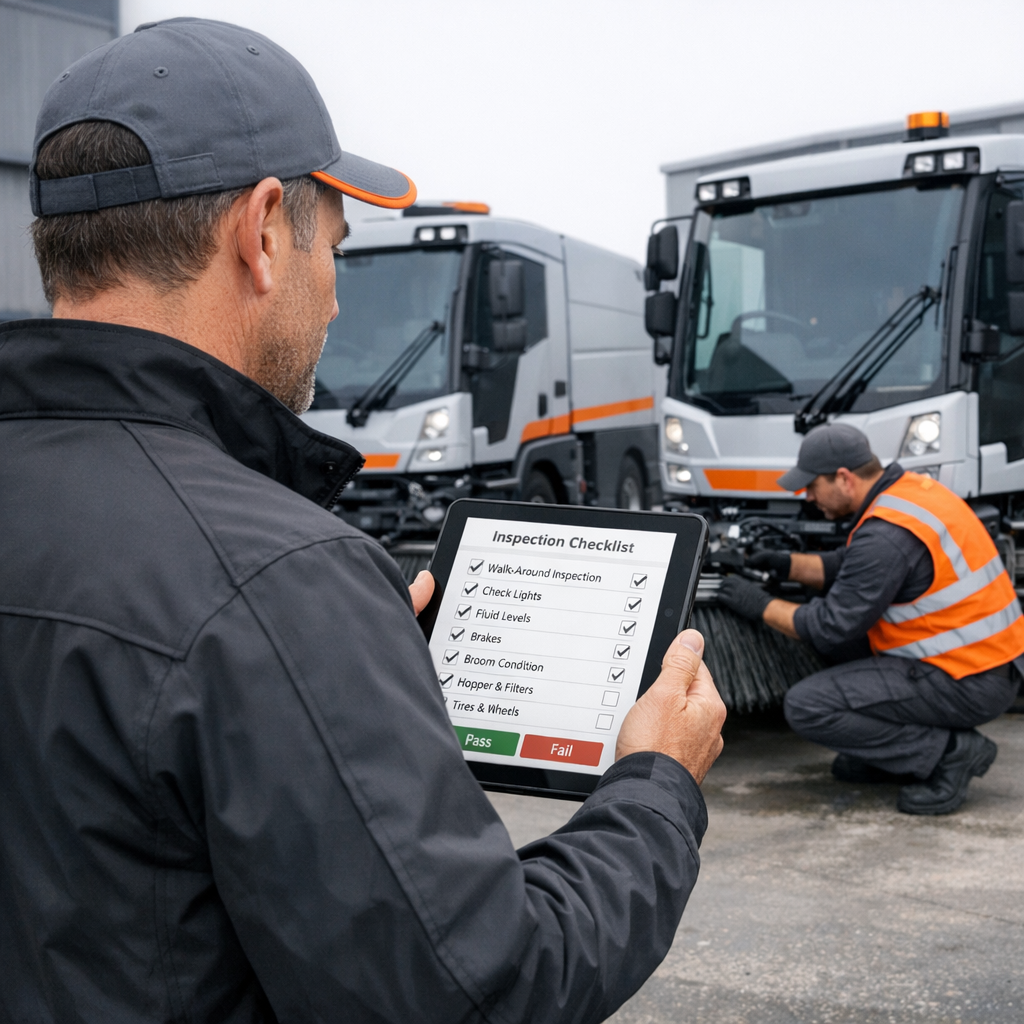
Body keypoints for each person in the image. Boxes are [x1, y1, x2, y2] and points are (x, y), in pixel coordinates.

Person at [0, 19, 727, 1024]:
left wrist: (331, 678)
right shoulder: (276, 581)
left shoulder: (269, 592)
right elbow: (479, 991)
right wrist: (656, 785)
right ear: (261, 233)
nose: (336, 302)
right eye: (336, 247)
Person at [718, 423, 1024, 816]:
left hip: (968, 679)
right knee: (844, 648)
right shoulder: (910, 494)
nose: (808, 497)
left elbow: (828, 625)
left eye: (812, 486)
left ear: (843, 478)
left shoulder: (886, 535)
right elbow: (848, 566)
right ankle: (887, 754)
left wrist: (757, 603)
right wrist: (784, 564)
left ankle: (949, 753)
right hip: (987, 662)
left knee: (808, 706)